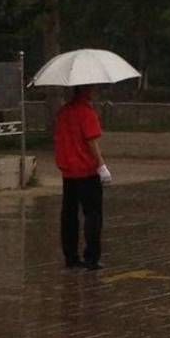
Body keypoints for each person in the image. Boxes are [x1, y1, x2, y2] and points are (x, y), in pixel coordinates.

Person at [54, 85, 111, 270]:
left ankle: (70, 257)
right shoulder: (87, 113)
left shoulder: (64, 112)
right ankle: (91, 257)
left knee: (69, 215)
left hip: (68, 172)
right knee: (93, 215)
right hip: (87, 171)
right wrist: (101, 165)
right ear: (87, 91)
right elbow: (92, 141)